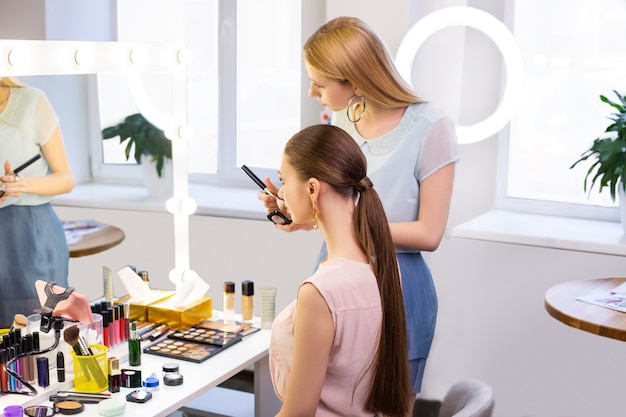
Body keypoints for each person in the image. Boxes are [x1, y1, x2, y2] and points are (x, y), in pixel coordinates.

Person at [259, 16, 459, 395]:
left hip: (397, 287)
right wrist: (301, 214)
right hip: (335, 275)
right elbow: (336, 209)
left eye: (319, 82)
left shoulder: (432, 127)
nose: (311, 92)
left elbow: (429, 233)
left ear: (353, 80)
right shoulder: (342, 120)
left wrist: (337, 226)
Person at [269, 124, 412, 417]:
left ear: (311, 189)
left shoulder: (320, 293)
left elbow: (297, 413)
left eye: (284, 180)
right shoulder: (383, 268)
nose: (281, 192)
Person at [0, 77, 74, 327]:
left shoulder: (31, 101)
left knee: (40, 332)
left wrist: (22, 184)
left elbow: (65, 179)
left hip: (30, 234)